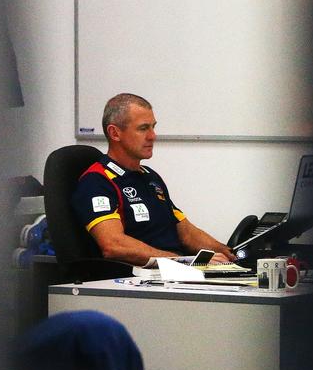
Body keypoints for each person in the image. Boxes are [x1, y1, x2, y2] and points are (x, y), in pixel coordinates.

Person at [70, 93, 235, 266]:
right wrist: (181, 261)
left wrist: (229, 253)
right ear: (115, 133)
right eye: (143, 128)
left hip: (176, 270)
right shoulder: (97, 182)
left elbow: (185, 232)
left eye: (153, 127)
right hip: (141, 279)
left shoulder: (150, 177)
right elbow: (113, 245)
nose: (152, 136)